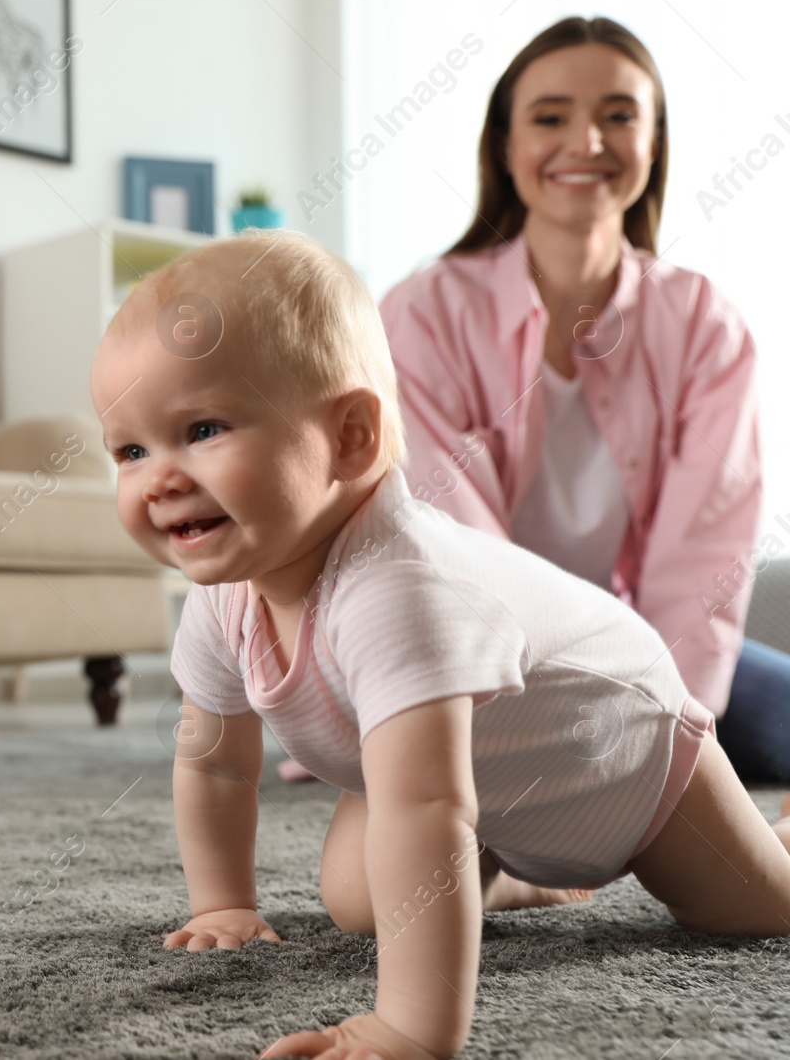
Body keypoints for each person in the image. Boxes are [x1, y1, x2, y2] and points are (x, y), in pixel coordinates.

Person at [91, 229, 790, 1060]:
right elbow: (213, 759)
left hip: (621, 753)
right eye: (130, 450)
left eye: (202, 428)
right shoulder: (226, 593)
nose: (158, 478)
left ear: (349, 436)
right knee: (358, 898)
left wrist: (409, 1028)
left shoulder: (395, 589)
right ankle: (525, 871)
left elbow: (429, 809)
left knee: (753, 909)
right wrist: (222, 904)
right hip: (490, 781)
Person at [381, 16, 790, 783]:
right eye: (550, 117)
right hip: (468, 660)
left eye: (618, 116)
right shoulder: (422, 312)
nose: (587, 141)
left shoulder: (705, 323)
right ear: (505, 145)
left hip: (636, 650)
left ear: (656, 142)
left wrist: (663, 719)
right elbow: (446, 543)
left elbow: (705, 552)